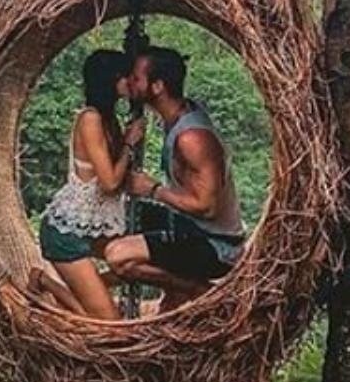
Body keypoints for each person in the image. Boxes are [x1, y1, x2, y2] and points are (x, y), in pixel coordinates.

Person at [104, 46, 245, 311]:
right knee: (106, 217)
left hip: (215, 247)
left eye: (136, 78)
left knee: (119, 256)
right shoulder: (174, 117)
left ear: (157, 87)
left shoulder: (191, 138)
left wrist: (153, 189)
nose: (129, 83)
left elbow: (207, 206)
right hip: (188, 226)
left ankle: (195, 289)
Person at [37, 49, 144, 320]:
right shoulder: (91, 119)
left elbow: (118, 179)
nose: (130, 83)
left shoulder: (110, 120)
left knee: (136, 261)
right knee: (110, 326)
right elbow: (109, 182)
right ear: (110, 80)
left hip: (92, 226)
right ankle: (46, 283)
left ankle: (92, 287)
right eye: (125, 78)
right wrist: (129, 145)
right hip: (65, 233)